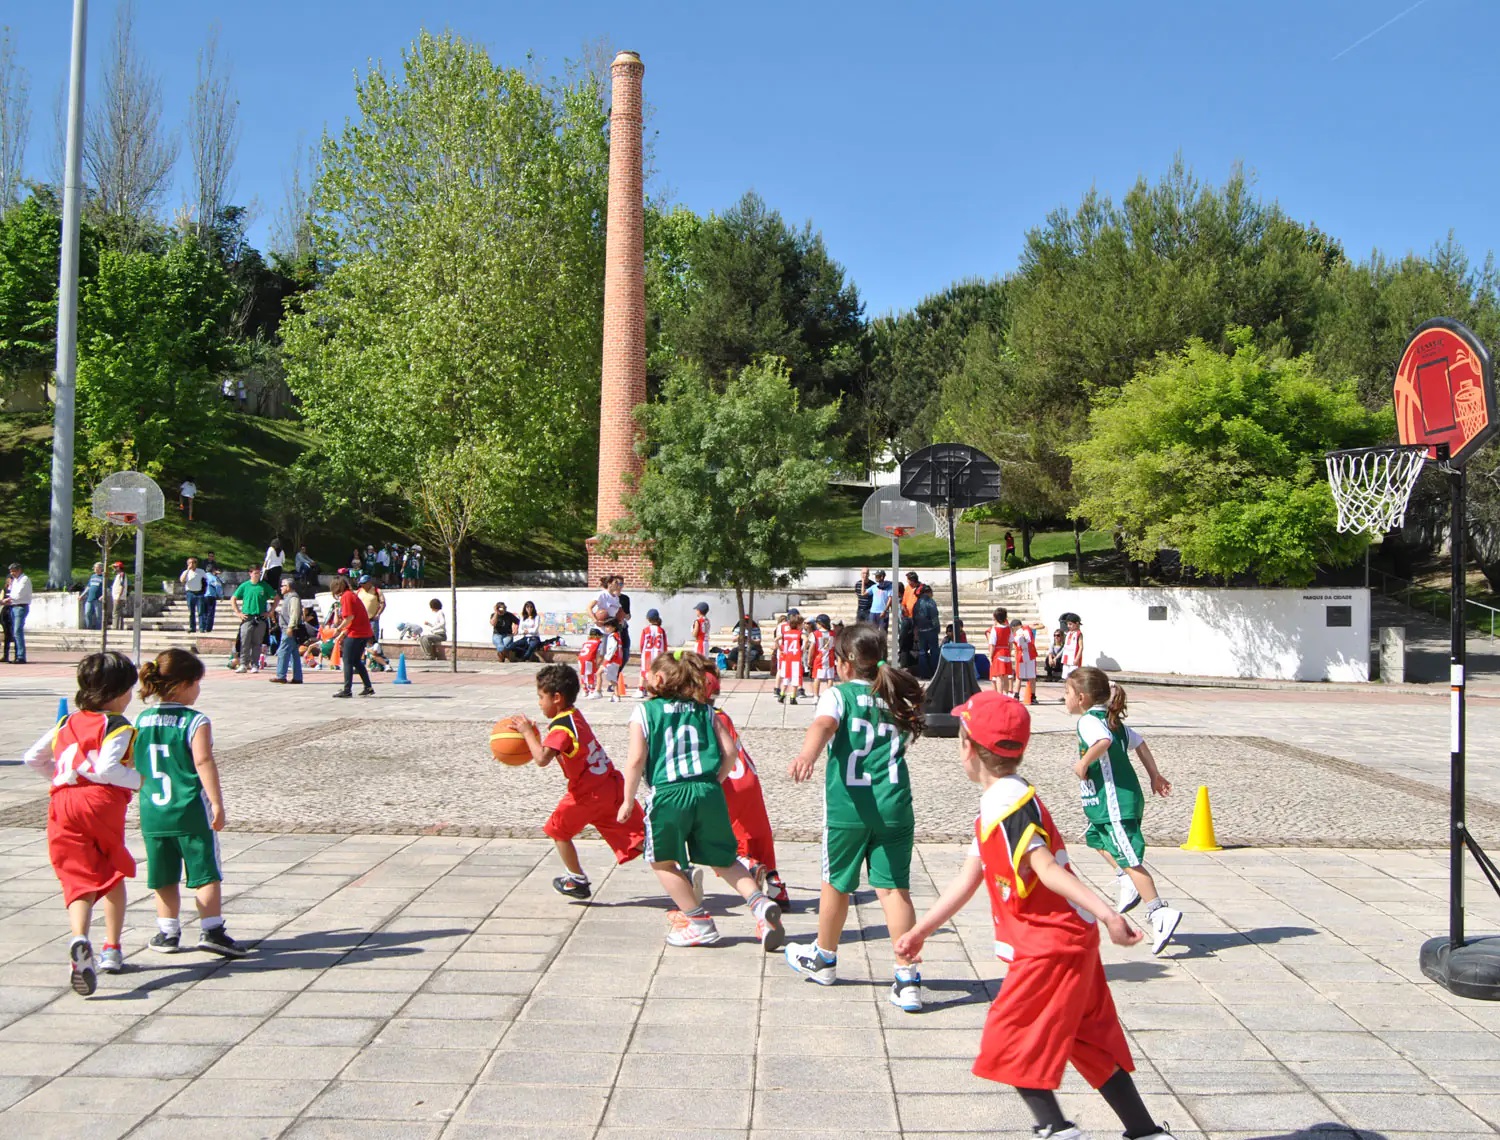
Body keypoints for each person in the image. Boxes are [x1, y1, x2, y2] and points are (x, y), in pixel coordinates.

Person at [895, 691, 1179, 1140]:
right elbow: (971, 876)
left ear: (967, 747)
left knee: (1009, 1039)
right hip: (1069, 942)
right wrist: (921, 931)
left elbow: (1045, 868)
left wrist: (1109, 913)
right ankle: (1146, 1133)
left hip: (1049, 946)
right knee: (1089, 1045)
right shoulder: (1005, 799)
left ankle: (1055, 1128)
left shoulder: (1006, 806)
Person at [784, 622, 927, 1012]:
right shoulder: (897, 699)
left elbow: (824, 724)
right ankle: (907, 978)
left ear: (845, 664)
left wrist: (808, 755)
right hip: (896, 806)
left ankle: (825, 958)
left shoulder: (839, 695)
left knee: (837, 882)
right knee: (894, 889)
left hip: (850, 807)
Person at [618, 651, 785, 950]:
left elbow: (635, 759)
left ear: (658, 679)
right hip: (707, 790)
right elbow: (730, 752)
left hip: (669, 792)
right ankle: (760, 904)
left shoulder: (644, 712)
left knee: (662, 862)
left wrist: (627, 800)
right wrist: (715, 781)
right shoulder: (706, 711)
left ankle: (699, 922)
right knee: (724, 858)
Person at [22, 652, 142, 993]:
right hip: (99, 802)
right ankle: (112, 949)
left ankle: (79, 938)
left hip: (62, 802)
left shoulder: (67, 723)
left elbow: (33, 758)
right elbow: (108, 769)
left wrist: (61, 776)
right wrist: (138, 780)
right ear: (119, 693)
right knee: (112, 868)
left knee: (76, 876)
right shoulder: (117, 725)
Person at [135, 650, 247, 957]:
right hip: (189, 810)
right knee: (205, 871)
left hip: (152, 811)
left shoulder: (141, 719)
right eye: (197, 683)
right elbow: (203, 760)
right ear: (183, 684)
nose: (198, 690)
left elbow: (133, 762)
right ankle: (212, 929)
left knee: (163, 874)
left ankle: (167, 932)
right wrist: (217, 803)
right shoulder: (195, 721)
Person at [1066, 667, 1182, 955]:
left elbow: (1102, 743)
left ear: (1081, 698)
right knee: (1095, 838)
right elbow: (1140, 743)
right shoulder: (1111, 720)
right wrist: (1154, 775)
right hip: (1111, 802)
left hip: (1115, 801)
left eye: (1066, 693)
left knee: (1129, 857)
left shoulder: (1089, 722)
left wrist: (1083, 764)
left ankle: (1158, 911)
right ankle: (1126, 880)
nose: (1063, 698)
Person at [516, 663, 645, 899]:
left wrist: (526, 734)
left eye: (540, 697)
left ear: (556, 697)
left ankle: (576, 879)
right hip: (611, 785)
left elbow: (542, 759)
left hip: (587, 794)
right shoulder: (574, 715)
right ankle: (677, 868)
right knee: (636, 838)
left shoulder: (561, 728)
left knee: (557, 831)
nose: (539, 703)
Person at [705, 663, 790, 907]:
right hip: (749, 779)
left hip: (727, 782)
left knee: (715, 841)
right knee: (759, 835)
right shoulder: (723, 714)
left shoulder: (703, 718)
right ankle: (776, 888)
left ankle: (747, 865)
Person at [330, 576, 376, 697]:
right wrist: (341, 634)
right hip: (364, 632)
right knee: (356, 660)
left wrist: (338, 629)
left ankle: (347, 689)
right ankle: (368, 687)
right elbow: (353, 619)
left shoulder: (346, 597)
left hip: (356, 633)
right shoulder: (351, 595)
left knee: (347, 660)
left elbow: (349, 617)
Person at [230, 567, 272, 673]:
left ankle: (255, 664)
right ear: (250, 574)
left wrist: (270, 611)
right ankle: (243, 664)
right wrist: (238, 613)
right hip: (247, 617)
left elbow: (275, 597)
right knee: (244, 641)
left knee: (257, 643)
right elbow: (233, 598)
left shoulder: (264, 586)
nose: (257, 575)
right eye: (255, 573)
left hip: (260, 617)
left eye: (258, 573)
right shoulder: (245, 585)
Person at [270, 579, 304, 684]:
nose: (281, 588)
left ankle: (281, 675)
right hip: (287, 628)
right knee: (294, 654)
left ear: (288, 587)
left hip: (289, 629)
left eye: (283, 585)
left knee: (283, 652)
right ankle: (297, 677)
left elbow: (294, 613)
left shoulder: (293, 598)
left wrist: (291, 627)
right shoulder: (289, 597)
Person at [775, 611, 805, 704]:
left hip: (786, 658)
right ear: (798, 625)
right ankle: (793, 697)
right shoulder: (799, 633)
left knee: (786, 678)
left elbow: (776, 639)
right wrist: (802, 649)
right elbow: (806, 639)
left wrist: (781, 649)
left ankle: (782, 695)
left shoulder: (786, 633)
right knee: (795, 678)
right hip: (795, 658)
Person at [3, 562, 31, 662]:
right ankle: (17, 655)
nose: (12, 573)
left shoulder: (24, 579)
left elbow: (19, 594)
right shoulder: (15, 580)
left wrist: (8, 599)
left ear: (19, 570)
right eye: (11, 571)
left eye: (13, 571)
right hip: (13, 606)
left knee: (17, 631)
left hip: (21, 607)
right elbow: (11, 592)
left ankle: (21, 656)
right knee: (15, 631)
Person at [637, 608, 667, 697]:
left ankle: (641, 689)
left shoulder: (646, 630)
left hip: (647, 653)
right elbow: (665, 644)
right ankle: (655, 688)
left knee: (643, 671)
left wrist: (642, 652)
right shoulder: (661, 630)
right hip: (658, 653)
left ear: (648, 619)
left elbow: (642, 643)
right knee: (656, 672)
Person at [913, 584, 941, 680]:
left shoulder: (917, 603)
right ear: (929, 592)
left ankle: (924, 673)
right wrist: (937, 628)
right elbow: (934, 617)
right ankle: (934, 672)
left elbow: (914, 618)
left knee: (922, 652)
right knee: (934, 651)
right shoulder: (930, 602)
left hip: (921, 631)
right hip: (931, 630)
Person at [987, 607, 1013, 696]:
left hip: (998, 653)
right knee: (1006, 676)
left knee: (999, 676)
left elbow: (992, 644)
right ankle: (1006, 694)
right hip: (1006, 652)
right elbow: (1011, 643)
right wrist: (1009, 651)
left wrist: (990, 656)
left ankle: (1000, 694)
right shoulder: (1009, 629)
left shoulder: (995, 629)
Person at [598, 617, 625, 704]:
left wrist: (607, 658)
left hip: (611, 660)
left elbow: (613, 648)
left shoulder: (613, 636)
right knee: (601, 673)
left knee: (611, 678)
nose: (606, 628)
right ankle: (613, 694)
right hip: (616, 660)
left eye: (608, 626)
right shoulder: (617, 635)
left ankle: (599, 692)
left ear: (613, 627)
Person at [808, 614, 835, 698]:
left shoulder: (815, 634)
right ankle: (830, 696)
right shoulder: (832, 633)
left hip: (819, 658)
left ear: (820, 623)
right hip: (830, 657)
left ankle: (816, 696)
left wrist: (809, 659)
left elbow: (811, 648)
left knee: (817, 677)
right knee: (830, 678)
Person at [179, 557, 207, 634]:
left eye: (193, 562)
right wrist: (188, 570)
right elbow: (182, 580)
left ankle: (202, 628)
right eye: (190, 563)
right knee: (191, 612)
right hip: (190, 593)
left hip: (199, 593)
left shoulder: (200, 571)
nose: (192, 564)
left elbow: (205, 580)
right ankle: (192, 627)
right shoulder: (186, 572)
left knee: (201, 611)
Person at [1012, 619, 1038, 706]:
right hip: (1030, 655)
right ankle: (1033, 696)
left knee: (1019, 677)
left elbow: (1016, 644)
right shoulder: (1028, 629)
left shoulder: (1017, 633)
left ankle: (1016, 695)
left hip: (1021, 655)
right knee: (1032, 677)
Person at [356, 575, 385, 644]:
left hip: (372, 620)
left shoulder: (377, 591)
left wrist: (378, 614)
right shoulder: (359, 591)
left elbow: (383, 603)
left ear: (369, 583)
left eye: (364, 583)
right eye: (361, 584)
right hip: (361, 620)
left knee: (373, 641)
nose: (362, 585)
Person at [577, 627, 603, 698]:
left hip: (580, 659)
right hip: (589, 659)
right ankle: (592, 690)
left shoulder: (586, 642)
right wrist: (598, 663)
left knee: (583, 674)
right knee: (590, 675)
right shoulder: (598, 643)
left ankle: (585, 690)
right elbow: (599, 654)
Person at [82, 563, 105, 631]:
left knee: (98, 616)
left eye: (96, 568)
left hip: (98, 599)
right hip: (90, 599)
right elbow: (88, 587)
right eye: (94, 568)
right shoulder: (93, 576)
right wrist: (82, 595)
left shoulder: (103, 577)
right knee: (87, 613)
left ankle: (99, 629)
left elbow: (107, 589)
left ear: (100, 568)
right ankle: (89, 628)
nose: (95, 569)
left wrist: (102, 596)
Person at [201, 565, 222, 633]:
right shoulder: (214, 578)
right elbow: (218, 587)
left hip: (202, 596)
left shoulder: (202, 577)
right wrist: (221, 595)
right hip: (211, 596)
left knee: (203, 612)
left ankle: (202, 627)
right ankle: (208, 628)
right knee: (210, 613)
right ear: (213, 570)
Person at [109, 562, 128, 631]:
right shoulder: (118, 575)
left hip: (118, 597)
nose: (113, 569)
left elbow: (122, 586)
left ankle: (115, 627)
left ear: (118, 568)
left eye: (115, 567)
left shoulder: (121, 575)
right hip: (117, 597)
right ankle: (119, 627)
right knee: (118, 612)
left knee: (116, 613)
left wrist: (118, 596)